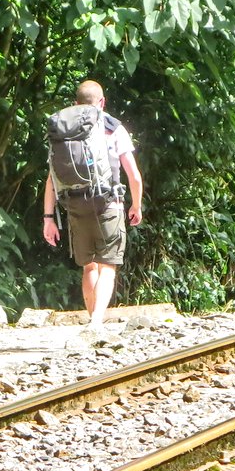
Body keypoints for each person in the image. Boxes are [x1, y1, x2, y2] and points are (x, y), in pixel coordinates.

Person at [43, 80, 143, 326]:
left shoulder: (63, 129)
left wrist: (48, 218)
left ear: (76, 103)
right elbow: (134, 175)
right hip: (108, 203)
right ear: (102, 102)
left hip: (74, 204)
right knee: (107, 266)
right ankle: (96, 322)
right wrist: (136, 205)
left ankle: (92, 320)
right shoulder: (112, 127)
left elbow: (51, 180)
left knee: (89, 268)